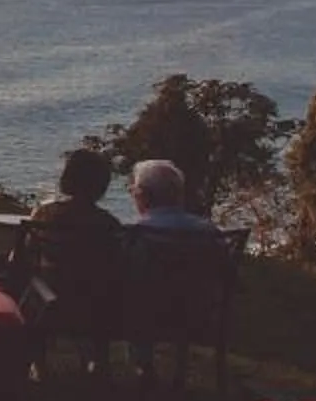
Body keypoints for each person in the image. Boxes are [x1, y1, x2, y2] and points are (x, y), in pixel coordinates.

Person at [20, 149, 127, 377]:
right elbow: (119, 265)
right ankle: (97, 361)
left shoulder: (45, 215)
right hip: (97, 305)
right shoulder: (109, 224)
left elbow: (29, 252)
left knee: (30, 282)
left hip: (50, 301)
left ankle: (38, 363)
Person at [120, 158, 220, 382]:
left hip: (146, 315)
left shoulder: (138, 233)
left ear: (142, 195)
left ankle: (143, 367)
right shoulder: (207, 230)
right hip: (198, 313)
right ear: (178, 194)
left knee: (137, 297)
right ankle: (179, 373)